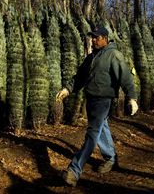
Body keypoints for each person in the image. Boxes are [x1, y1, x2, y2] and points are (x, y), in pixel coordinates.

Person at [56, 25, 138, 187]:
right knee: (102, 129)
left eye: (97, 37)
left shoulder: (114, 55)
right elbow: (79, 77)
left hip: (104, 100)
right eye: (92, 37)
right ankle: (111, 158)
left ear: (105, 38)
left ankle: (74, 171)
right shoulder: (91, 57)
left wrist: (132, 98)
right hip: (92, 99)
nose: (93, 40)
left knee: (92, 133)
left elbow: (126, 77)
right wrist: (67, 89)